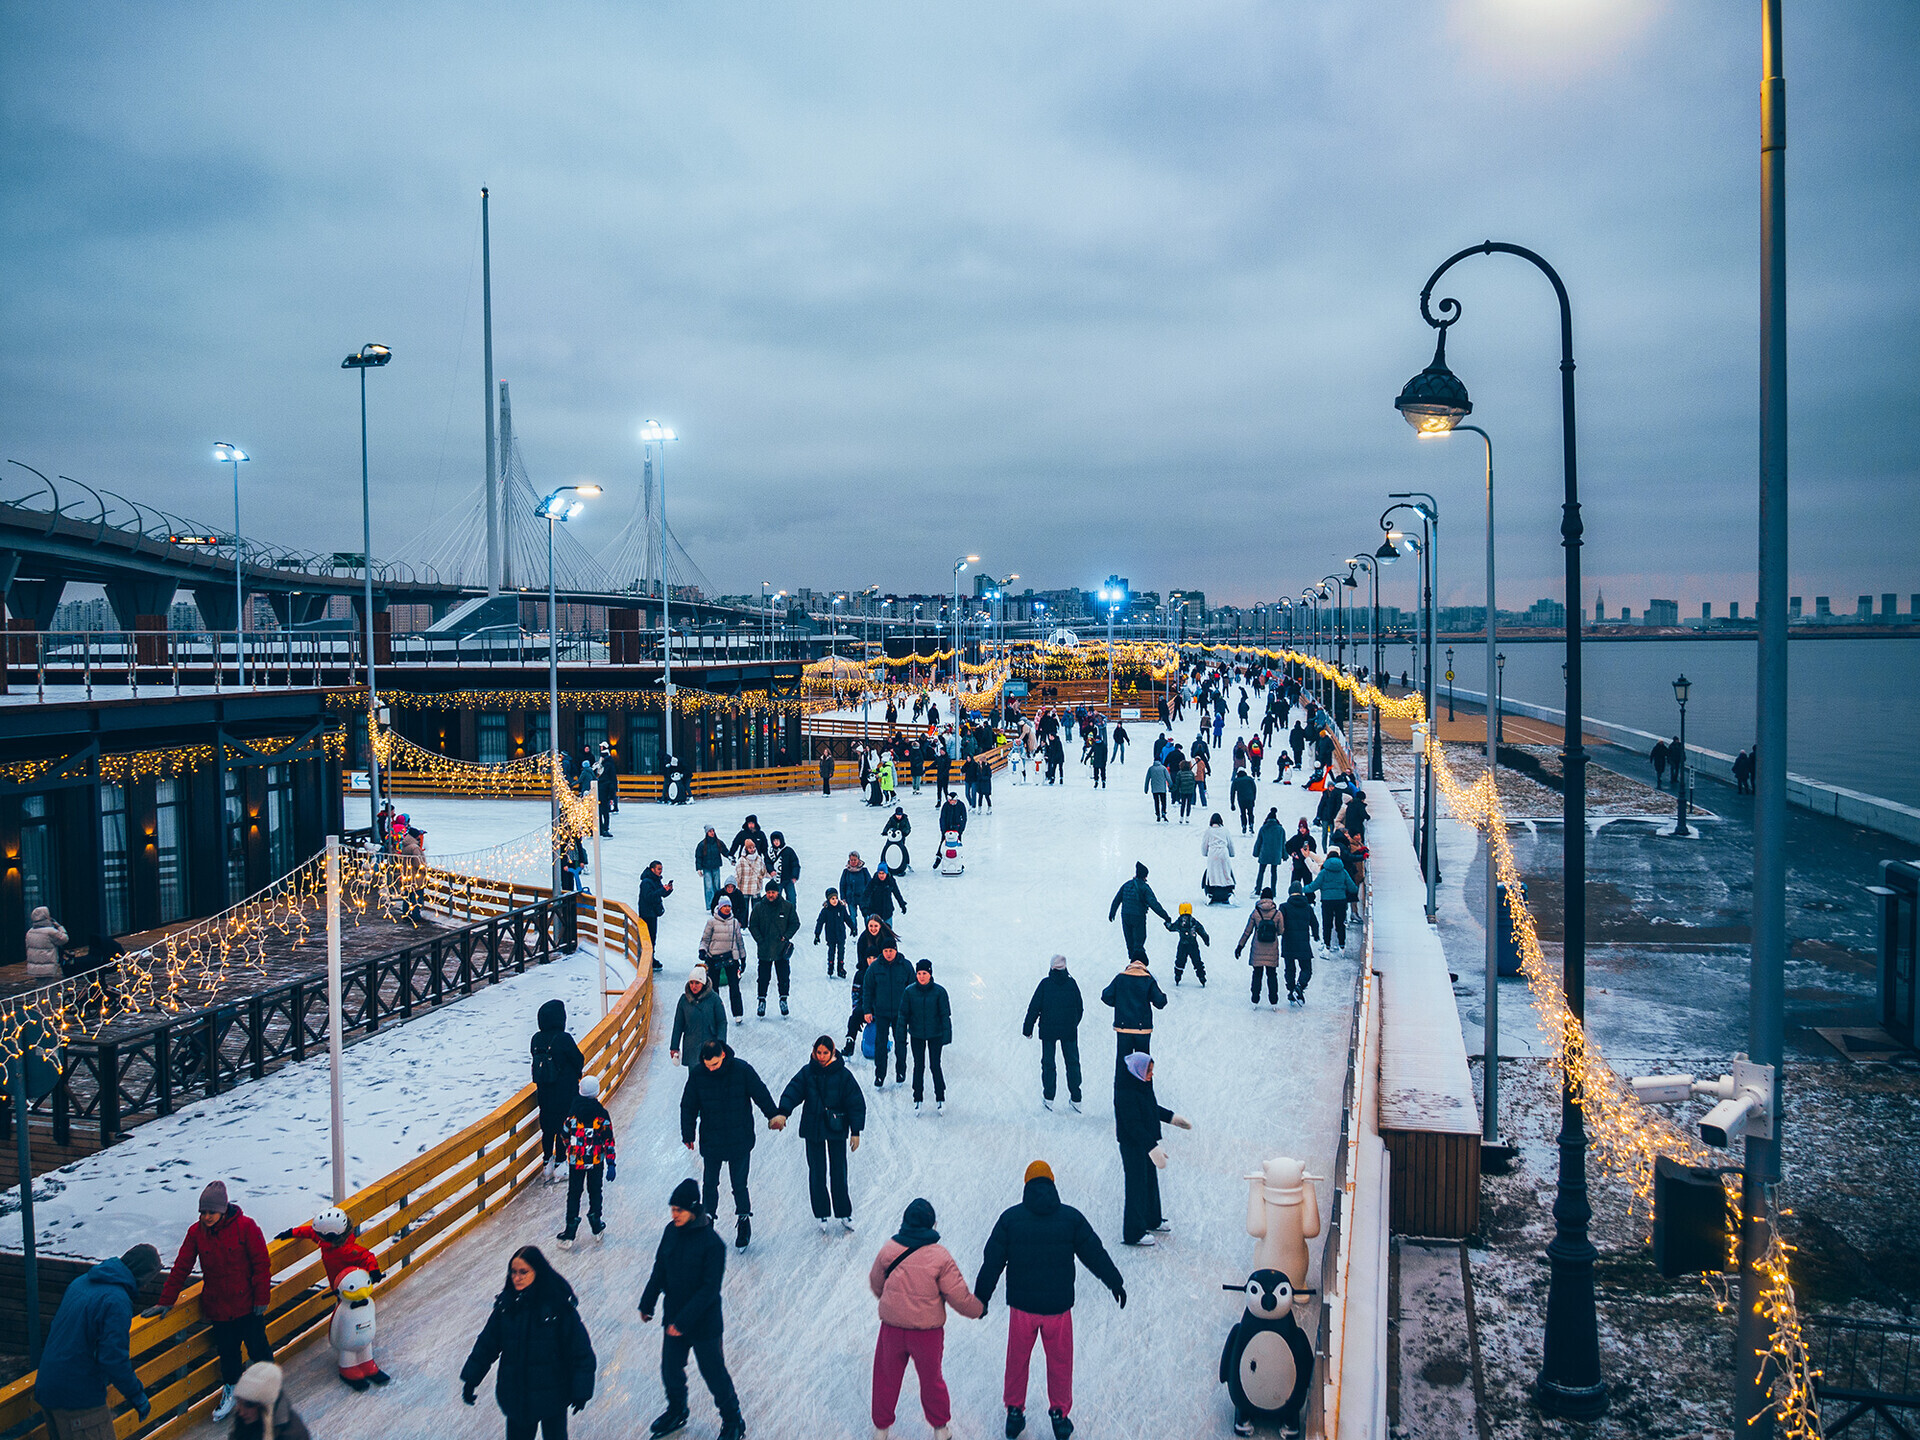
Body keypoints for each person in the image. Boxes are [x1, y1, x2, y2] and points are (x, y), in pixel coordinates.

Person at [974, 1160, 1127, 1440]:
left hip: (1022, 1309)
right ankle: (1059, 1415)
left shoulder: (1010, 1219)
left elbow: (992, 1261)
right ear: (1052, 1185)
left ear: (1026, 1187)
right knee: (1060, 1362)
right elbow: (1094, 1253)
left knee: (1017, 1359)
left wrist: (981, 1298)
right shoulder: (1071, 1218)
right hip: (1058, 1310)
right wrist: (1114, 1281)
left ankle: (1014, 1414)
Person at [147, 1183, 273, 1422]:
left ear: (223, 1210)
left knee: (258, 1348)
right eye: (202, 1213)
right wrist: (166, 1301)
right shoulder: (196, 1232)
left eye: (210, 1212)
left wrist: (262, 1297)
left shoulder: (246, 1227)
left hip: (248, 1304)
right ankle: (232, 1391)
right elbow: (181, 1266)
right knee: (228, 1354)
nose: (206, 1217)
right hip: (219, 1307)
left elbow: (261, 1264)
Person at [869, 1197, 985, 1440]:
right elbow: (958, 1296)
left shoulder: (889, 1248)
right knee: (932, 1380)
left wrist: (892, 1304)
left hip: (891, 1330)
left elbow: (876, 1282)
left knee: (885, 1378)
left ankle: (881, 1431)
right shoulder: (940, 1256)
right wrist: (978, 1309)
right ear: (932, 1225)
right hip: (927, 1333)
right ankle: (941, 1430)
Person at [461, 1246, 597, 1440]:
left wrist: (581, 1390)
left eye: (523, 1272)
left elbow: (580, 1350)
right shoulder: (506, 1307)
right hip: (517, 1397)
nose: (517, 1277)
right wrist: (471, 1379)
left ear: (537, 1271)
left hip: (553, 1394)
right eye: (513, 1272)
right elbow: (486, 1345)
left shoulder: (557, 1306)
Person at [35, 1243, 160, 1437]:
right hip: (79, 1399)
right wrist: (137, 1396)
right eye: (149, 1279)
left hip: (47, 1388)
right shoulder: (116, 1301)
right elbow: (113, 1358)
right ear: (143, 1276)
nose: (147, 1286)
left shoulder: (81, 1282)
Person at [272, 1207, 388, 1390]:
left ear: (331, 1235)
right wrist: (292, 1232)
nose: (317, 1236)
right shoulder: (324, 1240)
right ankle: (348, 1366)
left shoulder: (348, 1250)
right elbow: (310, 1232)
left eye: (320, 1234)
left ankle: (366, 1362)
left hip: (355, 1290)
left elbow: (367, 1256)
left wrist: (373, 1271)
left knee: (359, 1327)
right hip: (342, 1294)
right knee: (349, 1330)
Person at [680, 1042, 778, 1249]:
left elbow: (760, 1093)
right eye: (708, 1065)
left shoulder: (742, 1070)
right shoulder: (698, 1074)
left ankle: (743, 1220)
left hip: (739, 1137)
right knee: (709, 1184)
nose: (711, 1068)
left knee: (739, 1184)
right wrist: (688, 1133)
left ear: (723, 1055)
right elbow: (688, 1105)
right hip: (712, 1138)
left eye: (715, 1064)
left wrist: (773, 1115)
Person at [772, 1036, 868, 1230]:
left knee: (838, 1171)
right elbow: (793, 1091)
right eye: (819, 1053)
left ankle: (844, 1212)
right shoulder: (807, 1073)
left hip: (836, 1127)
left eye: (826, 1053)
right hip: (813, 1127)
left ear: (832, 1052)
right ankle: (822, 1213)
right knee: (817, 1172)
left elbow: (855, 1103)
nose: (822, 1057)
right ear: (814, 1052)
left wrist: (855, 1131)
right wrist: (783, 1112)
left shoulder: (843, 1075)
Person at [1115, 1053, 1191, 1246]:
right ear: (1137, 1070)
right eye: (1148, 1070)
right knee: (1136, 1186)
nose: (1151, 1074)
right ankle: (1133, 1232)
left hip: (1147, 1141)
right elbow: (1133, 1125)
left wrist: (1172, 1118)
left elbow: (1150, 1107)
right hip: (1133, 1145)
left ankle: (1152, 1219)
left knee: (1149, 1181)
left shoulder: (1142, 1084)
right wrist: (1152, 1147)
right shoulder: (1125, 1092)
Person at [557, 1074, 615, 1247]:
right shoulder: (601, 1115)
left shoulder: (573, 1114)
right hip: (596, 1161)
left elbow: (564, 1134)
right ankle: (596, 1222)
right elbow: (608, 1140)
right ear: (596, 1092)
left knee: (574, 1193)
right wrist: (611, 1162)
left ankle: (570, 1230)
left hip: (576, 1161)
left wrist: (570, 1148)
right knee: (595, 1190)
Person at [531, 1000, 586, 1183]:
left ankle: (547, 1162)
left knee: (548, 1128)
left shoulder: (536, 1039)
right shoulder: (563, 1038)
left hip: (545, 1092)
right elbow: (578, 1058)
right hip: (565, 1092)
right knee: (564, 1128)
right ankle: (561, 1165)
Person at [1022, 955, 1083, 1112]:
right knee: (1072, 1063)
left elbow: (1034, 1007)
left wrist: (1028, 1028)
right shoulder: (1072, 984)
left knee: (1048, 1064)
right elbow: (1080, 1008)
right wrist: (1072, 1023)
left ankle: (1049, 1098)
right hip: (1069, 1031)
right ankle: (1076, 1098)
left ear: (1051, 967)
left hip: (1049, 1031)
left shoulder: (1045, 984)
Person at [1100, 954, 1167, 1073]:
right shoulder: (1148, 979)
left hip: (1123, 1028)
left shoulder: (1120, 978)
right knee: (1143, 1064)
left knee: (1122, 1061)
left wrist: (1120, 1004)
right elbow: (1160, 1002)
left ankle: (1122, 1089)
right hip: (1143, 1029)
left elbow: (1106, 996)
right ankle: (1141, 1089)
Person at [901, 959, 953, 1111]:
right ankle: (917, 1096)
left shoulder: (939, 992)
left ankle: (940, 1096)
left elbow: (945, 1015)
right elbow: (903, 1015)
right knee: (918, 1066)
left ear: (930, 974)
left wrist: (946, 1035)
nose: (921, 976)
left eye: (924, 973)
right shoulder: (909, 992)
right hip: (917, 1034)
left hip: (935, 1034)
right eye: (919, 973)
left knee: (935, 1065)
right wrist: (901, 1035)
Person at [862, 941, 914, 1088]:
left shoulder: (905, 966)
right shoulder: (875, 967)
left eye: (891, 950)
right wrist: (867, 1010)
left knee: (901, 1043)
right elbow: (868, 990)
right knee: (880, 1044)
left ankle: (901, 1072)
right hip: (881, 1013)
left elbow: (913, 990)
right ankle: (880, 1075)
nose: (888, 953)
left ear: (896, 950)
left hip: (900, 1014)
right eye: (886, 951)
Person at [747, 880, 798, 1019]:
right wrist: (760, 940)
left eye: (773, 892)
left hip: (781, 950)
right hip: (764, 950)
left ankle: (783, 999)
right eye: (768, 892)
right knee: (763, 978)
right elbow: (753, 925)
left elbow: (795, 923)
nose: (770, 895)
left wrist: (786, 936)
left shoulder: (787, 906)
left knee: (783, 976)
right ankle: (761, 1000)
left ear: (778, 892)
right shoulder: (758, 907)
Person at [229, 1362, 311, 1440]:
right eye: (239, 1402)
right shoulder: (244, 1421)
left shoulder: (292, 1433)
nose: (242, 1412)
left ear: (265, 1404)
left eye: (249, 1404)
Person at [1107, 862, 1171, 962]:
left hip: (1125, 916)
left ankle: (1132, 962)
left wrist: (1112, 912)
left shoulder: (1126, 885)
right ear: (1144, 875)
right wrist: (1165, 917)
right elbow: (1154, 904)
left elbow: (1117, 899)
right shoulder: (1144, 887)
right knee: (1139, 941)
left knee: (1130, 941)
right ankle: (1139, 965)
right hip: (1138, 917)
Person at [698, 899, 748, 1021]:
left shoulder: (735, 922)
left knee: (734, 986)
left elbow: (739, 942)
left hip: (731, 958)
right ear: (719, 908)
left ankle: (738, 1013)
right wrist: (702, 950)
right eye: (724, 906)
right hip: (713, 958)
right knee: (713, 988)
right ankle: (714, 1013)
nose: (727, 909)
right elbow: (705, 939)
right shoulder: (711, 922)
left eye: (729, 906)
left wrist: (743, 957)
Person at [670, 966, 728, 1069]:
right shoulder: (684, 1000)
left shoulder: (714, 999)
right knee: (695, 1077)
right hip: (691, 1045)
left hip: (710, 1045)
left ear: (703, 983)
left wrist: (721, 1044)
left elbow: (721, 1022)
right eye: (691, 983)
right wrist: (674, 1047)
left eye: (697, 983)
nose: (694, 986)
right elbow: (678, 1024)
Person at [1236, 888, 1284, 1007]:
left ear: (1261, 897)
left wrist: (1240, 946)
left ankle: (1255, 1000)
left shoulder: (1256, 912)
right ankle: (1273, 1001)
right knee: (1272, 974)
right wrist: (1273, 933)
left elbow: (1247, 931)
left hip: (1257, 948)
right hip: (1272, 948)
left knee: (1257, 974)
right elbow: (1281, 931)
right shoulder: (1277, 913)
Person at [1307, 850, 1357, 953]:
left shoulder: (1324, 872)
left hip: (1327, 901)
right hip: (1341, 900)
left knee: (1327, 923)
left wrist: (1302, 889)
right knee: (1340, 923)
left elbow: (1314, 885)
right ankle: (1342, 946)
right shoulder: (1343, 871)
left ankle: (1327, 946)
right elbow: (1352, 888)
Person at [1280, 882, 1321, 1004]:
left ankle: (1291, 990)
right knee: (1306, 969)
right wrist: (1316, 935)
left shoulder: (1284, 907)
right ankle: (1300, 986)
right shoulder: (1307, 907)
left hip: (1288, 942)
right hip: (1303, 942)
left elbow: (1279, 923)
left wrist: (1278, 933)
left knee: (1290, 969)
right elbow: (1314, 923)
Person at [814, 886, 856, 978]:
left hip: (841, 934)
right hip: (831, 935)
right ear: (828, 899)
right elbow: (820, 922)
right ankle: (830, 965)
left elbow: (847, 919)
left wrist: (853, 928)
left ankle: (840, 967)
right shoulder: (825, 910)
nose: (835, 900)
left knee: (841, 951)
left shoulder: (841, 908)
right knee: (831, 950)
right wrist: (817, 934)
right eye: (832, 899)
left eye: (836, 898)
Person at [637, 861, 672, 973]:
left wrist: (668, 890)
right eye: (658, 869)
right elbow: (649, 897)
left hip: (652, 913)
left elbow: (660, 893)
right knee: (649, 938)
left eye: (661, 869)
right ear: (652, 869)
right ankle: (647, 960)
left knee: (653, 937)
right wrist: (662, 890)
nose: (660, 871)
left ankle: (650, 958)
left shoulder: (655, 880)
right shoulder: (646, 882)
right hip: (647, 914)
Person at [1166, 903, 1210, 986]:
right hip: (1193, 944)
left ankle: (1178, 976)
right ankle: (1202, 977)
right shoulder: (1194, 921)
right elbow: (1201, 930)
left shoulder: (1179, 921)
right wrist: (1206, 940)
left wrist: (1166, 923)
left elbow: (1171, 928)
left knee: (1180, 960)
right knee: (1197, 961)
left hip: (1182, 945)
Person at [25, 904, 67, 981]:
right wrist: (60, 927)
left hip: (35, 967)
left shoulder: (30, 932)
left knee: (41, 988)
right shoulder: (50, 932)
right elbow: (64, 939)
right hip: (47, 967)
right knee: (48, 990)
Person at [731, 840, 768, 928]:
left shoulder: (759, 858)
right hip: (744, 888)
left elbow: (763, 871)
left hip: (756, 887)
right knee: (744, 909)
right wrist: (736, 885)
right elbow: (737, 874)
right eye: (750, 848)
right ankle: (743, 925)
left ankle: (756, 925)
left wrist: (761, 876)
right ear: (746, 849)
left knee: (757, 909)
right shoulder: (741, 860)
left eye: (753, 847)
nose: (752, 849)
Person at [1201, 815, 1236, 903]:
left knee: (1212, 874)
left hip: (1213, 854)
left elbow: (1204, 844)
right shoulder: (1225, 830)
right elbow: (1230, 843)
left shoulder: (1208, 831)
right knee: (1226, 873)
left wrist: (1205, 853)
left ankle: (1210, 892)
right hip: (1224, 853)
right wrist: (1232, 854)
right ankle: (1229, 892)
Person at [1252, 808, 1286, 893]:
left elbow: (1259, 842)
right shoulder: (1280, 829)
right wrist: (1284, 855)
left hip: (1264, 854)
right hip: (1276, 855)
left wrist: (1256, 853)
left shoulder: (1263, 828)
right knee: (1274, 872)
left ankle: (1258, 889)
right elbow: (1283, 843)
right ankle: (1273, 890)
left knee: (1261, 871)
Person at [694, 827, 727, 911]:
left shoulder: (718, 842)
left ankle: (717, 904)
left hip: (716, 867)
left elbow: (725, 851)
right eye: (710, 831)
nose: (712, 833)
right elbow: (698, 857)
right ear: (706, 833)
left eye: (713, 831)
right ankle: (709, 906)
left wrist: (731, 857)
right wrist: (699, 868)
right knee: (708, 887)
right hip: (706, 868)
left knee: (717, 887)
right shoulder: (702, 844)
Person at [864, 864, 907, 928]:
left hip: (887, 910)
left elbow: (897, 894)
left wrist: (902, 904)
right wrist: (864, 908)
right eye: (880, 873)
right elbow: (866, 895)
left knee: (888, 931)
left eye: (883, 873)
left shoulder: (891, 881)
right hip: (874, 910)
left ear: (886, 873)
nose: (881, 875)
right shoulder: (873, 882)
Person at [767, 831, 801, 908]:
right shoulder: (770, 852)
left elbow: (795, 864)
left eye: (777, 840)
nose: (776, 842)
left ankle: (791, 915)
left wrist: (794, 876)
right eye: (774, 840)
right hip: (776, 880)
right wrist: (771, 870)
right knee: (775, 899)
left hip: (788, 879)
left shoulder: (789, 851)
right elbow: (767, 862)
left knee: (792, 898)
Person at [1284, 818, 1318, 887]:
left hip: (1307, 866)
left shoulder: (1310, 839)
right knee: (1295, 885)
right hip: (1297, 865)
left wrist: (1308, 855)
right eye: (1300, 828)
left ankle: (1309, 897)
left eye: (1303, 828)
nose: (1302, 829)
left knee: (1308, 885)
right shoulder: (1295, 838)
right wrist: (1292, 853)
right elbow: (1287, 845)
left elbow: (1313, 851)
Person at [596, 745, 618, 836]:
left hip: (603, 790)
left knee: (602, 811)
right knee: (604, 811)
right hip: (605, 790)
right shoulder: (608, 765)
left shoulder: (604, 766)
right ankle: (604, 828)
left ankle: (602, 828)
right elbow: (613, 779)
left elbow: (610, 780)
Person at [1143, 754, 1170, 822]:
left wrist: (1146, 789)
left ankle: (1158, 814)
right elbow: (1168, 778)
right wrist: (1171, 786)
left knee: (1156, 802)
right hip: (1162, 788)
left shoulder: (1151, 768)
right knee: (1163, 801)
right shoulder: (1163, 768)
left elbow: (1147, 779)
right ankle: (1163, 812)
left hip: (1154, 789)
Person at [1230, 767, 1257, 834]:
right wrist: (1253, 799)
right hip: (1250, 799)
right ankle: (1251, 825)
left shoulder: (1236, 781)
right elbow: (1254, 789)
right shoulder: (1250, 779)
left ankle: (1244, 826)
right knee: (1250, 813)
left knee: (1243, 813)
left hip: (1241, 800)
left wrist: (1232, 803)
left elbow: (1232, 792)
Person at [1170, 756, 1197, 822]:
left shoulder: (1180, 773)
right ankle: (1187, 817)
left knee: (1183, 804)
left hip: (1183, 791)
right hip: (1190, 791)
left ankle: (1181, 817)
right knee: (1188, 804)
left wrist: (1173, 789)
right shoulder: (1191, 773)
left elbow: (1177, 783)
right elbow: (1193, 781)